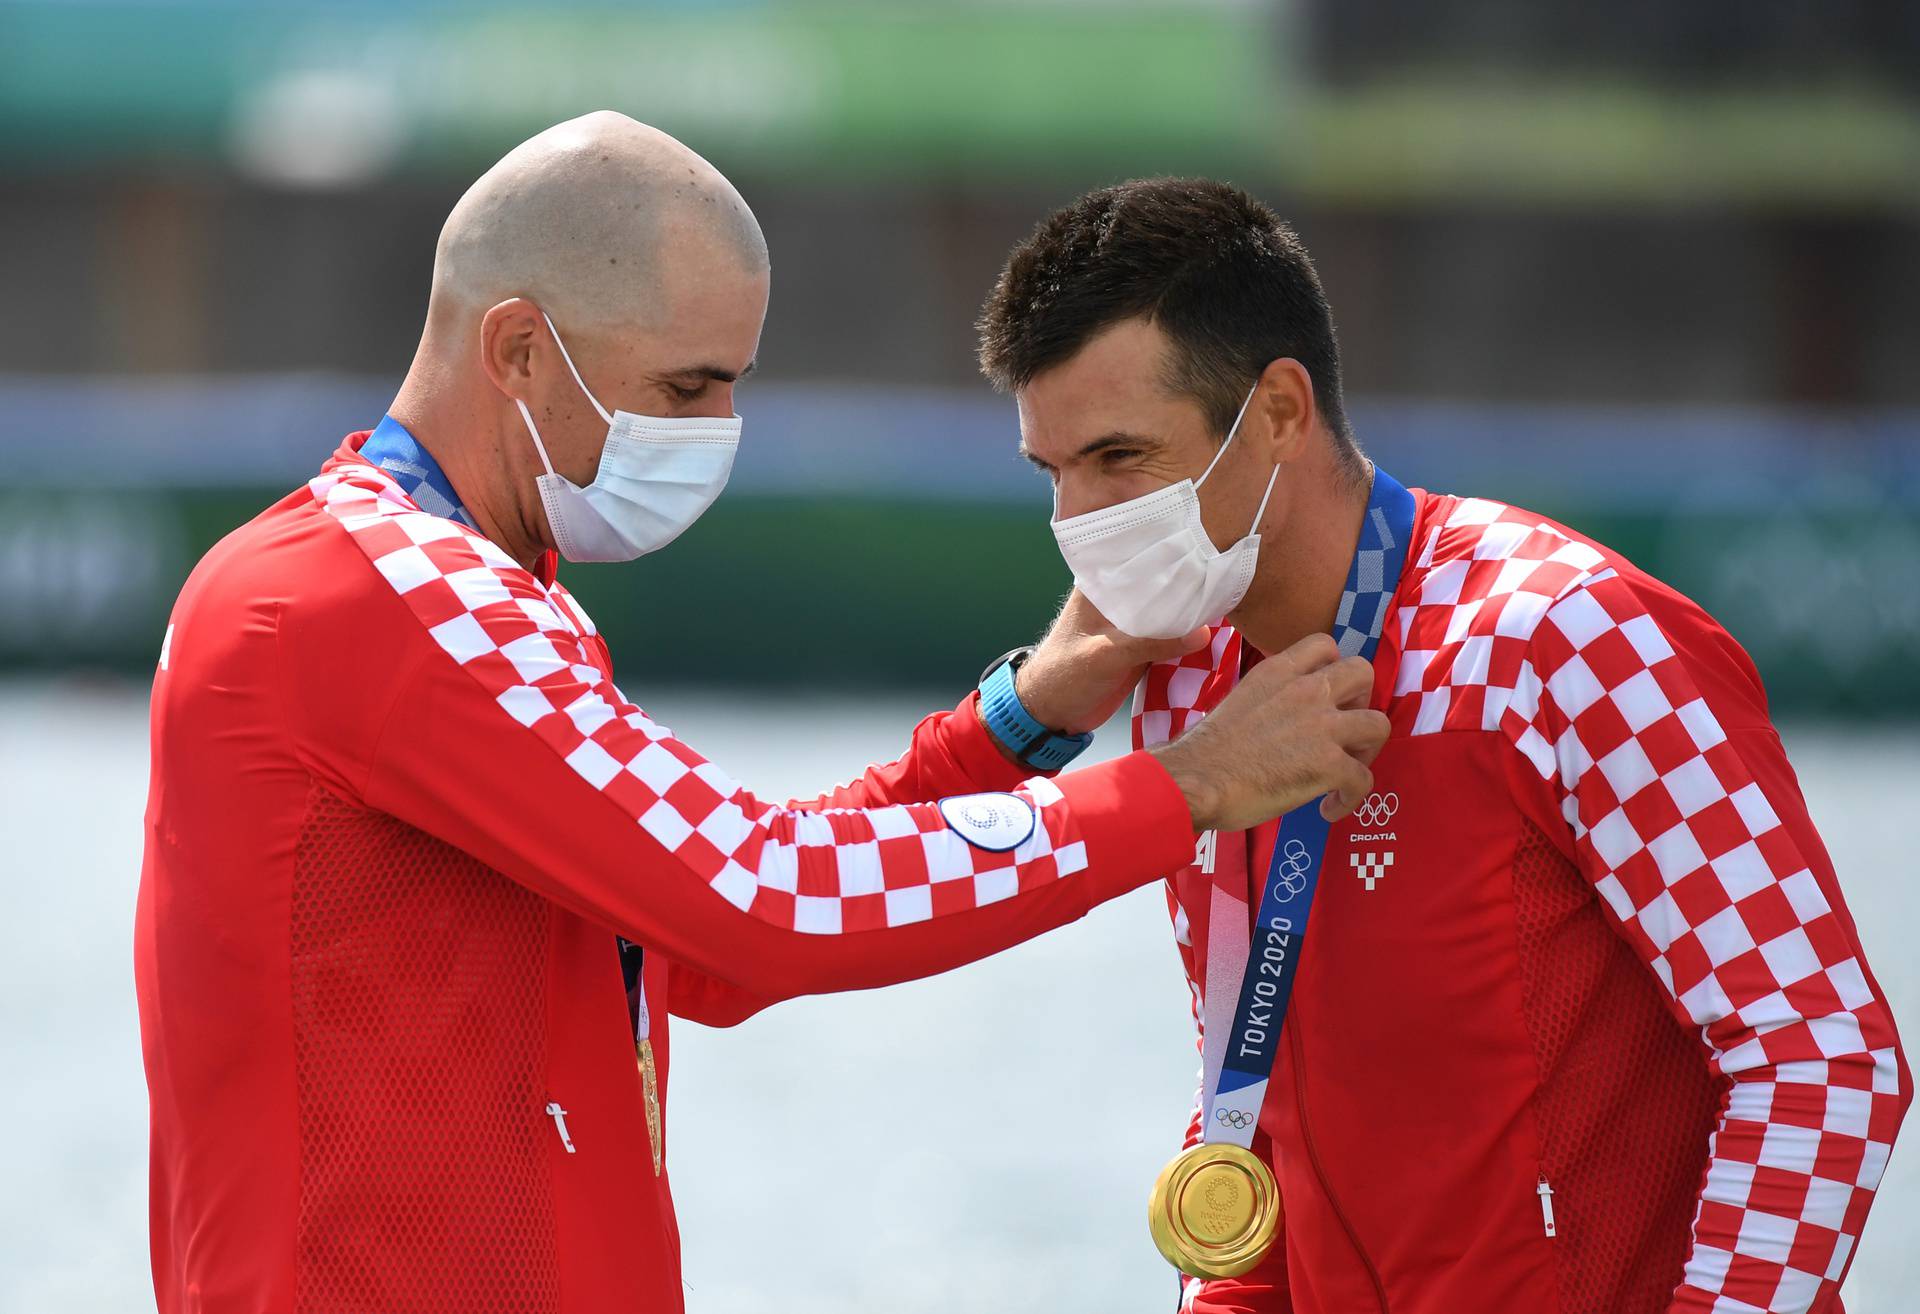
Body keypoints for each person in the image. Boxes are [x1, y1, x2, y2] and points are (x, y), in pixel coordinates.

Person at [133, 117, 1392, 1314]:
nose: (715, 433)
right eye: (684, 387)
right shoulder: (391, 596)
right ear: (518, 349)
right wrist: (1186, 789)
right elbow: (767, 902)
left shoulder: (429, 590)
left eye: (730, 387)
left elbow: (701, 943)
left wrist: (1022, 719)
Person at [976, 178, 1910, 1314]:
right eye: (1052, 473)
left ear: (1279, 410)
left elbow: (1820, 1061)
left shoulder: (1569, 637)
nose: (1079, 524)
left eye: (1121, 459)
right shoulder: (1185, 690)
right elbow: (1256, 1107)